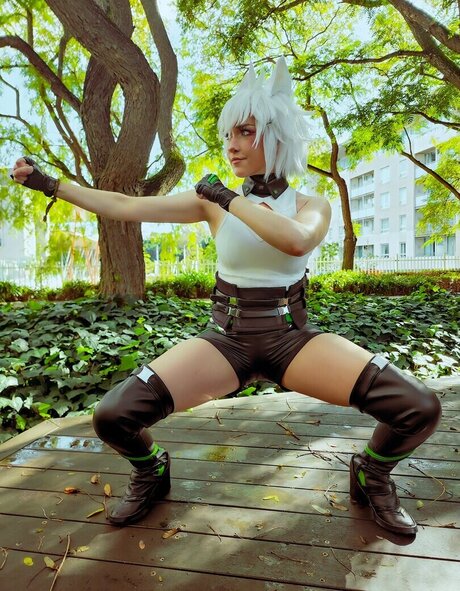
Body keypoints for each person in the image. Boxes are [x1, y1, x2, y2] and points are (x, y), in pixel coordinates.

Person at [10, 58, 441, 535]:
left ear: (277, 136)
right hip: (225, 340)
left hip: (292, 339)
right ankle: (151, 470)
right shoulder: (211, 203)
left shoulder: (308, 204)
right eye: (228, 135)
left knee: (419, 407)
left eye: (245, 132)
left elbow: (296, 241)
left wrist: (230, 199)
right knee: (112, 416)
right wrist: (51, 184)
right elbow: (124, 205)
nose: (231, 145)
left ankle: (372, 474)